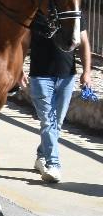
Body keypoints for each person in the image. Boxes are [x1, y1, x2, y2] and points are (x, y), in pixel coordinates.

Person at [28, 27, 91, 184]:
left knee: (57, 123)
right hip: (40, 77)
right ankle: (53, 164)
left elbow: (84, 43)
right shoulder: (37, 10)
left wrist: (87, 72)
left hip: (66, 77)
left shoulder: (73, 13)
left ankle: (42, 155)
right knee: (48, 122)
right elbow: (21, 41)